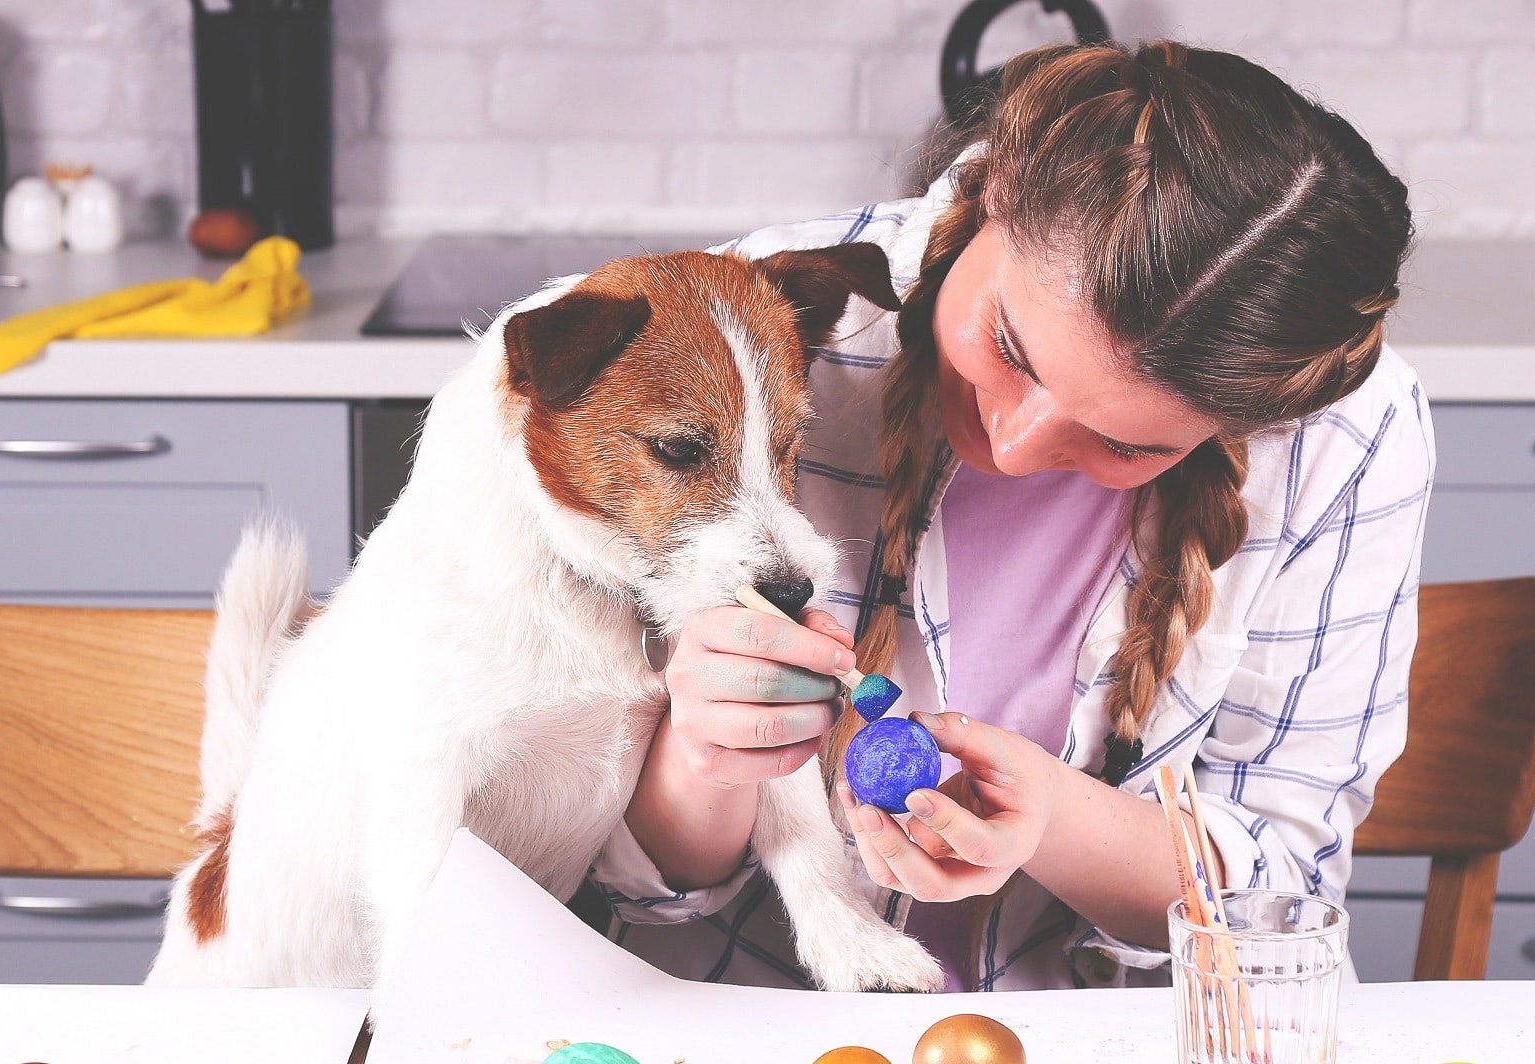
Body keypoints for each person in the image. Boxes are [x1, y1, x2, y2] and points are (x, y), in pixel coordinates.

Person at [589, 40, 1431, 991]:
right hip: (737, 1058)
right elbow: (633, 894)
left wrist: (1052, 822)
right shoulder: (746, 325)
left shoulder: (1341, 435)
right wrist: (706, 754)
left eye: (1130, 445)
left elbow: (1279, 904)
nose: (1017, 446)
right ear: (997, 190)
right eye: (1008, 346)